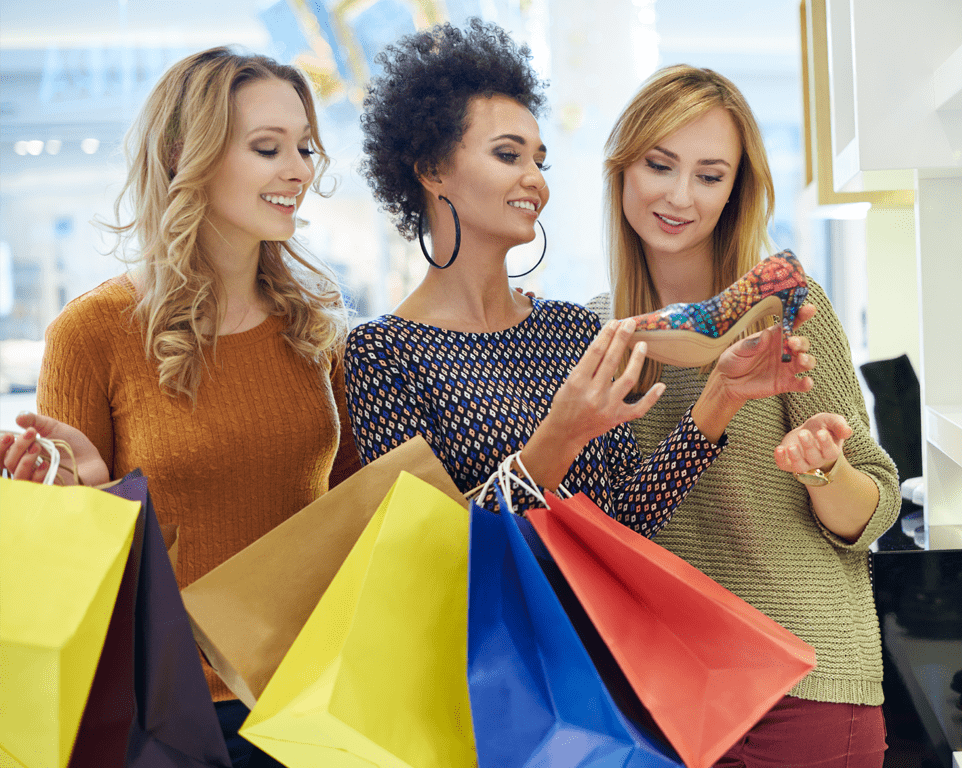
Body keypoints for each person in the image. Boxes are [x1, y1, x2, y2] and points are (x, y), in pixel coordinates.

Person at [1, 47, 360, 767]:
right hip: (168, 715)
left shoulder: (316, 328)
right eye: (268, 148)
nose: (299, 170)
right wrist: (96, 493)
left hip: (314, 703)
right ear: (181, 155)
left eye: (304, 147)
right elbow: (68, 569)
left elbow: (347, 513)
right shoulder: (94, 331)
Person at [345, 19, 818, 537]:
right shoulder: (380, 352)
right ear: (432, 170)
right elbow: (422, 551)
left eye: (538, 160)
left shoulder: (571, 330)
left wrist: (722, 395)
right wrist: (558, 439)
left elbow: (627, 521)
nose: (535, 179)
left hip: (588, 620)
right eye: (508, 155)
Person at [589, 64, 899, 767]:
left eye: (709, 175)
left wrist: (826, 469)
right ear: (622, 171)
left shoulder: (783, 310)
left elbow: (869, 515)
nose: (678, 196)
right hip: (660, 695)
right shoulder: (595, 337)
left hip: (806, 682)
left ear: (736, 191)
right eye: (659, 165)